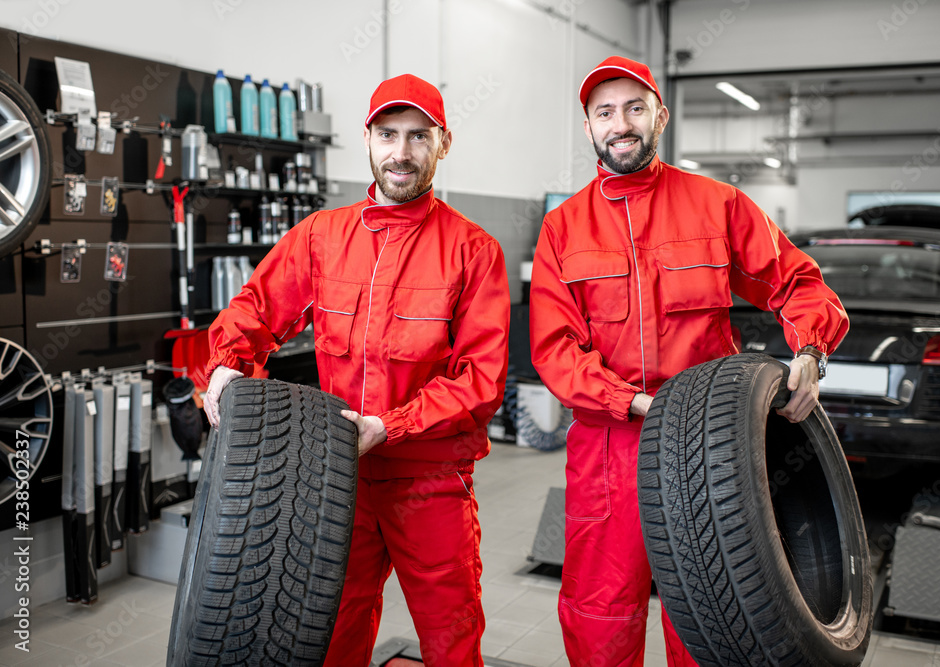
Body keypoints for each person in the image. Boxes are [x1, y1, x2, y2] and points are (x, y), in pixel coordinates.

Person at [529, 56, 849, 666]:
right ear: (590, 128)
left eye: (634, 107)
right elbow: (555, 348)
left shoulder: (718, 204)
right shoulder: (562, 228)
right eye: (605, 113)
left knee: (711, 608)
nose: (620, 123)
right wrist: (628, 401)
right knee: (601, 608)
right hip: (608, 449)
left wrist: (809, 350)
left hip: (707, 448)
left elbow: (800, 285)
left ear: (660, 116)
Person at [203, 73, 510, 667]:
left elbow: (481, 379)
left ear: (442, 144)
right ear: (366, 139)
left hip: (431, 480)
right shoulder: (321, 236)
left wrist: (388, 427)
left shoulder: (473, 250)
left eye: (419, 137)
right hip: (338, 478)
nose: (402, 153)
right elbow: (253, 310)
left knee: (450, 634)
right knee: (333, 626)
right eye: (388, 135)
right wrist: (225, 365)